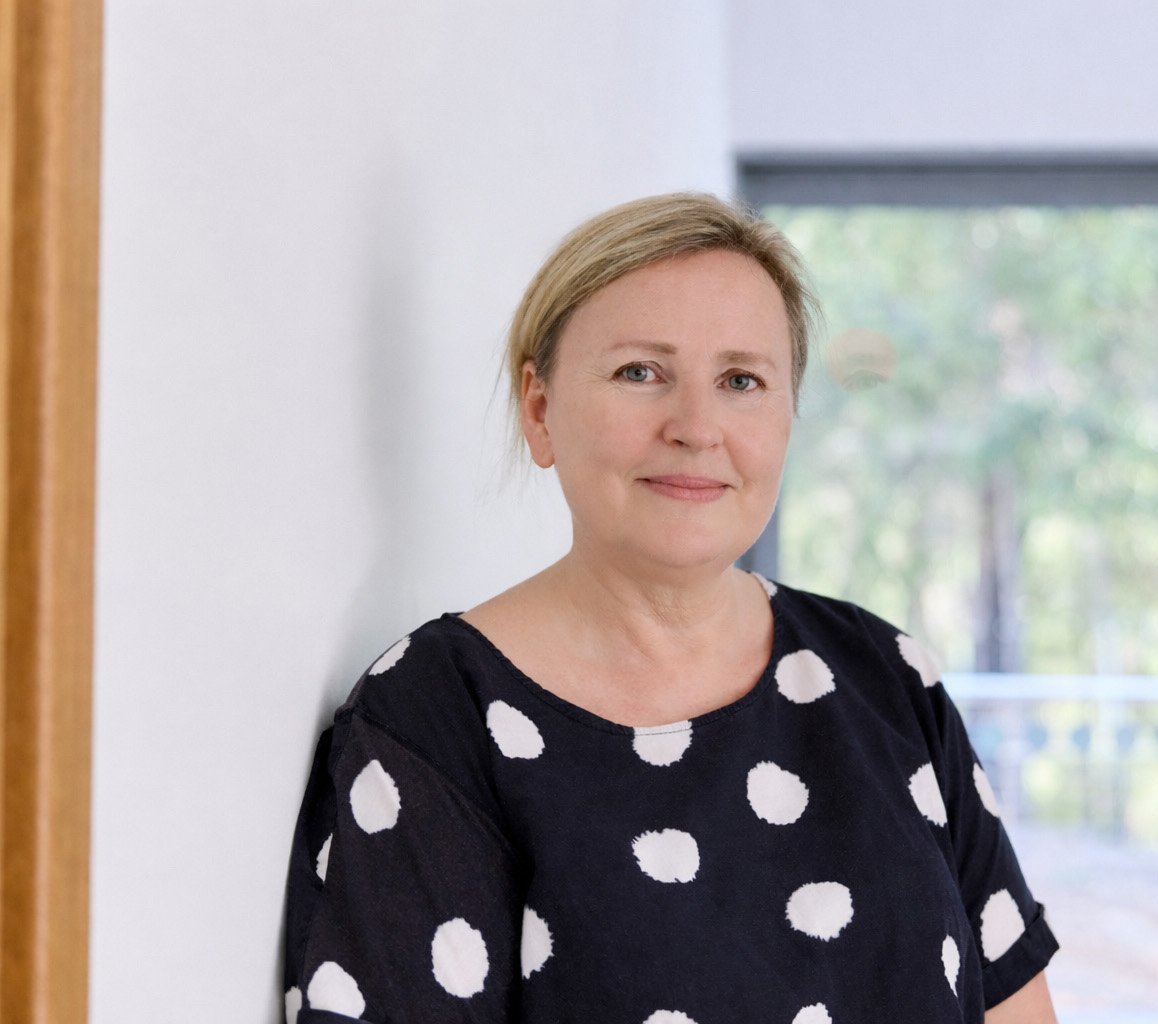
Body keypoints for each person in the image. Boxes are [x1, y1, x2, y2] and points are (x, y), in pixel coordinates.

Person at [281, 192, 1061, 1023]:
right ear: (539, 411)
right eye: (640, 372)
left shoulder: (886, 677)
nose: (697, 426)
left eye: (741, 380)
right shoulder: (436, 720)